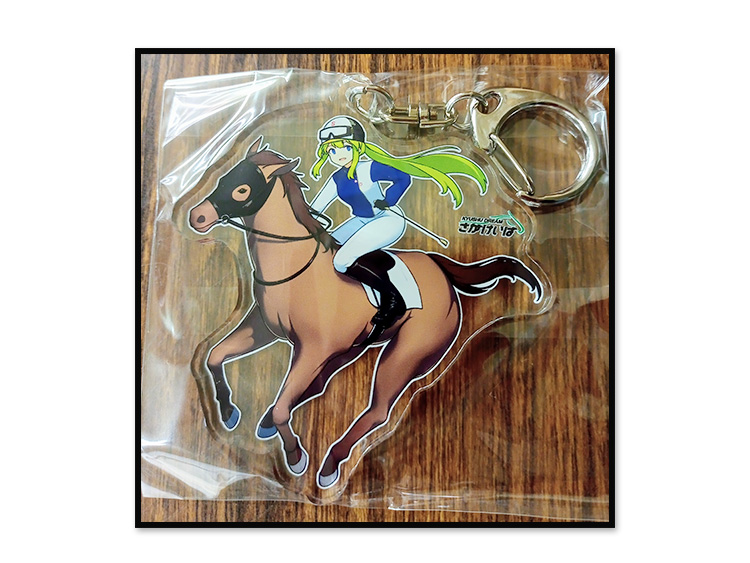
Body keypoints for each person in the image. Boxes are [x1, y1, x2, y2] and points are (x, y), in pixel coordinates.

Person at [309, 115, 487, 340]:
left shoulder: (369, 168)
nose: (339, 154)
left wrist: (389, 199)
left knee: (341, 260)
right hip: (361, 220)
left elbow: (402, 178)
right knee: (325, 251)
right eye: (333, 150)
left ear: (357, 147)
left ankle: (393, 298)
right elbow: (316, 207)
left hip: (386, 219)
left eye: (345, 147)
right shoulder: (337, 179)